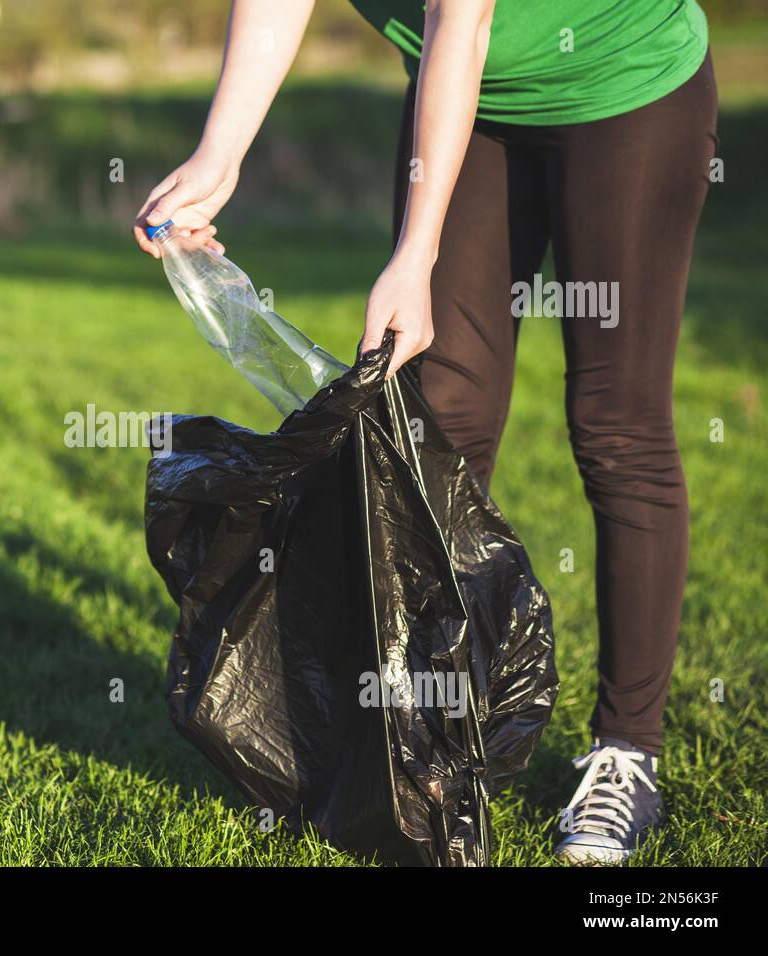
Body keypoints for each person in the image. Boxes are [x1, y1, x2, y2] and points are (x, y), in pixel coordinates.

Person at [133, 0, 717, 864]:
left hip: (621, 87)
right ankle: (426, 737)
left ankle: (625, 752)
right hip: (469, 103)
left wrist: (416, 255)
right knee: (439, 417)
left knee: (615, 425)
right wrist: (219, 153)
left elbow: (461, 17)